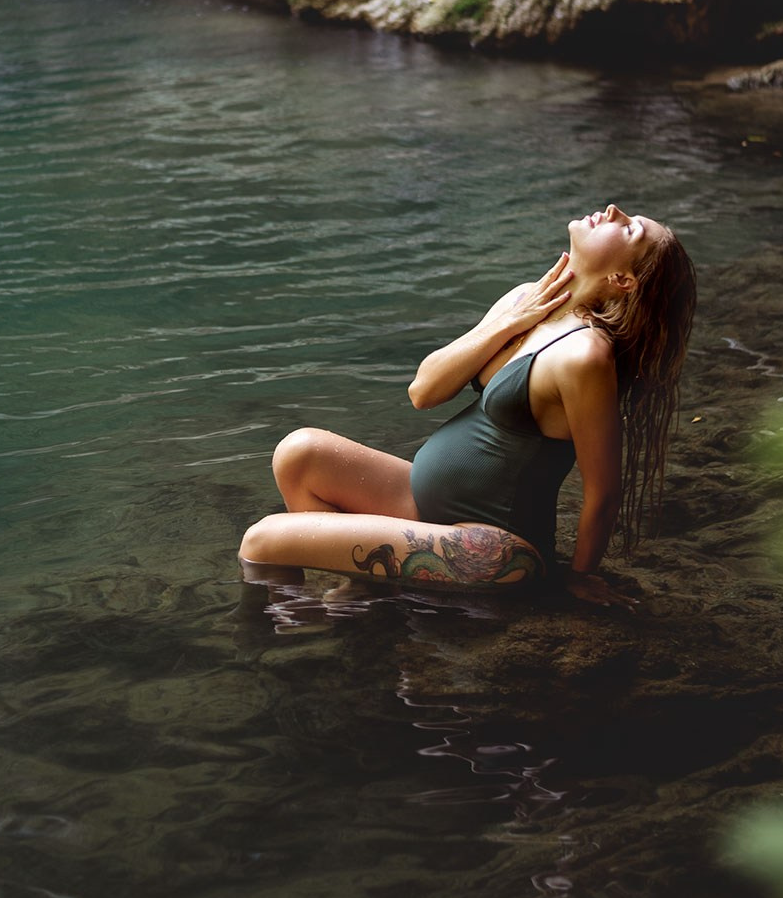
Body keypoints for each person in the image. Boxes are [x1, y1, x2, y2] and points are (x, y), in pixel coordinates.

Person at [239, 202, 697, 600]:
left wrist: (580, 579)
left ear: (623, 279)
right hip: (426, 507)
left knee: (261, 542)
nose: (614, 210)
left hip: (491, 549)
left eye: (630, 227)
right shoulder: (528, 300)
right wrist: (507, 323)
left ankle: (285, 654)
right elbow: (424, 392)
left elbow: (604, 489)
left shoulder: (586, 357)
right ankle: (366, 596)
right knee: (298, 455)